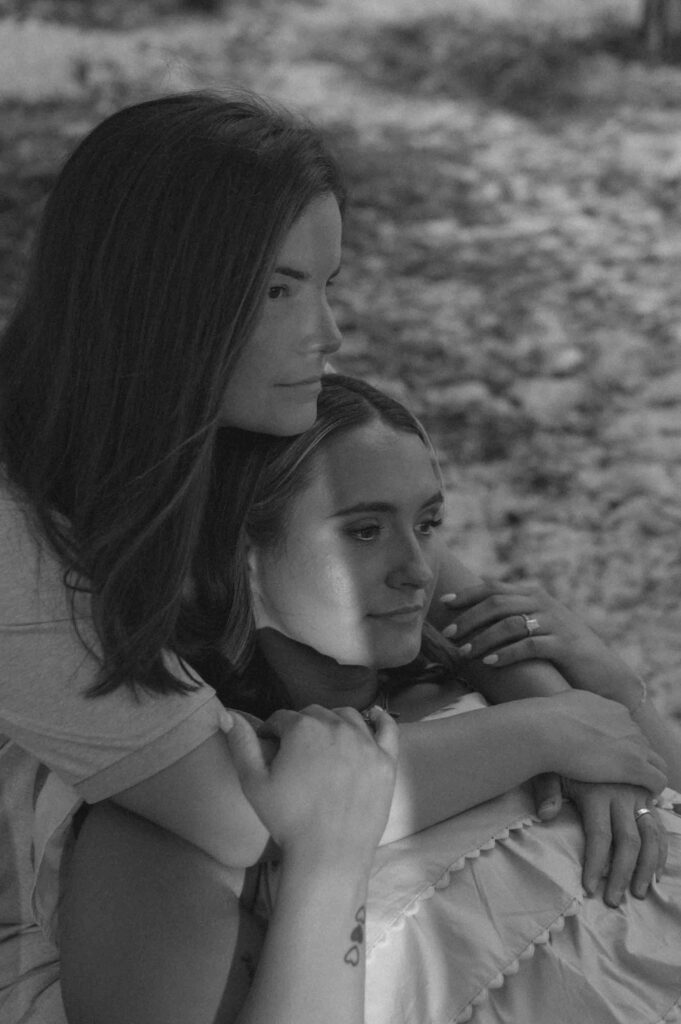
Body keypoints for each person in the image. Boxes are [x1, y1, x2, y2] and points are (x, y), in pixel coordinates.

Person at [0, 88, 668, 1021]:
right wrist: (551, 731)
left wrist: (589, 721)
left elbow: (449, 599)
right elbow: (239, 811)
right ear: (160, 298)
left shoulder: (204, 423)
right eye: (277, 290)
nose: (329, 335)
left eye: (327, 283)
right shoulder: (18, 542)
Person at [60, 375, 681, 1024]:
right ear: (242, 556)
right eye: (364, 531)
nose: (417, 567)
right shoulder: (176, 815)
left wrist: (615, 695)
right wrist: (562, 724)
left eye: (428, 523)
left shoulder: (483, 688)